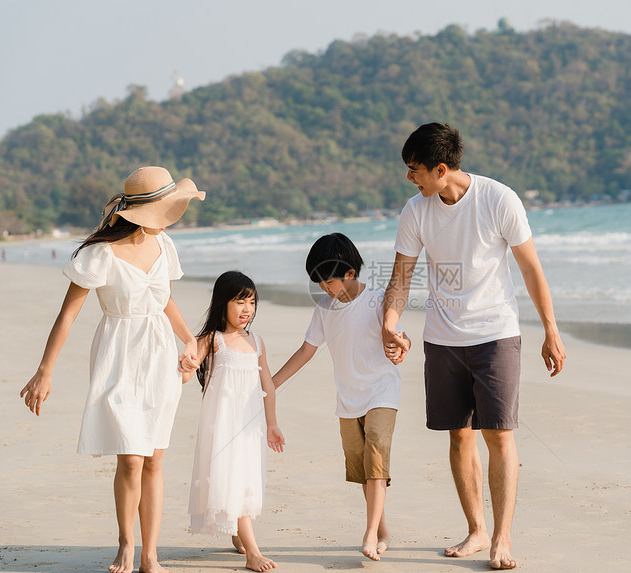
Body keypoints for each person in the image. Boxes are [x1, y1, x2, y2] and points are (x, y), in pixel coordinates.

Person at [382, 123, 567, 570]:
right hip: (442, 338)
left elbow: (530, 269)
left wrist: (550, 330)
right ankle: (477, 530)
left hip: (495, 333)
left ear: (440, 169)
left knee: (498, 434)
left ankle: (503, 537)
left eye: (415, 171)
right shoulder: (416, 211)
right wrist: (390, 321)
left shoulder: (498, 199)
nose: (410, 179)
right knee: (458, 434)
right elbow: (401, 276)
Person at [20, 166, 205, 573]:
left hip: (159, 355)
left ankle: (151, 555)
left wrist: (190, 342)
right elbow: (68, 315)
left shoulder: (165, 245)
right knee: (131, 458)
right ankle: (126, 545)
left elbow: (165, 302)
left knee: (155, 458)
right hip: (118, 354)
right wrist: (45, 370)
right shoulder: (98, 252)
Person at [271, 233, 409, 561]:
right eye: (318, 282)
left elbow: (400, 335)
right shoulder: (324, 310)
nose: (323, 288)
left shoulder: (378, 300)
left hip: (382, 391)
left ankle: (369, 534)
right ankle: (382, 529)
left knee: (377, 455)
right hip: (348, 399)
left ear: (349, 274)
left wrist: (402, 346)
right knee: (364, 468)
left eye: (328, 281)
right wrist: (271, 384)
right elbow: (306, 351)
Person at [183, 271, 285, 572]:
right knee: (232, 479)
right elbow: (188, 373)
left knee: (245, 478)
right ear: (222, 303)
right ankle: (253, 552)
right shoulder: (213, 340)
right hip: (223, 425)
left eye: (251, 302)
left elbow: (267, 386)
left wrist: (272, 424)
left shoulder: (256, 342)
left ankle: (240, 533)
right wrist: (186, 364)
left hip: (249, 425)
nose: (246, 309)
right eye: (240, 301)